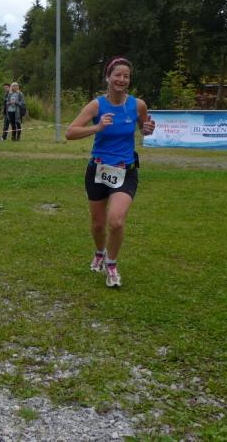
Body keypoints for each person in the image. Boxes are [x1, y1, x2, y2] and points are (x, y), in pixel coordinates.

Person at [64, 57, 155, 288]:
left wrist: (148, 129)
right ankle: (99, 252)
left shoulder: (138, 105)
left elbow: (144, 128)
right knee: (98, 224)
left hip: (126, 170)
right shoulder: (96, 106)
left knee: (116, 221)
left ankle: (111, 265)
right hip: (98, 169)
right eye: (117, 75)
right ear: (108, 77)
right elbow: (70, 132)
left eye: (126, 76)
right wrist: (97, 127)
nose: (122, 79)